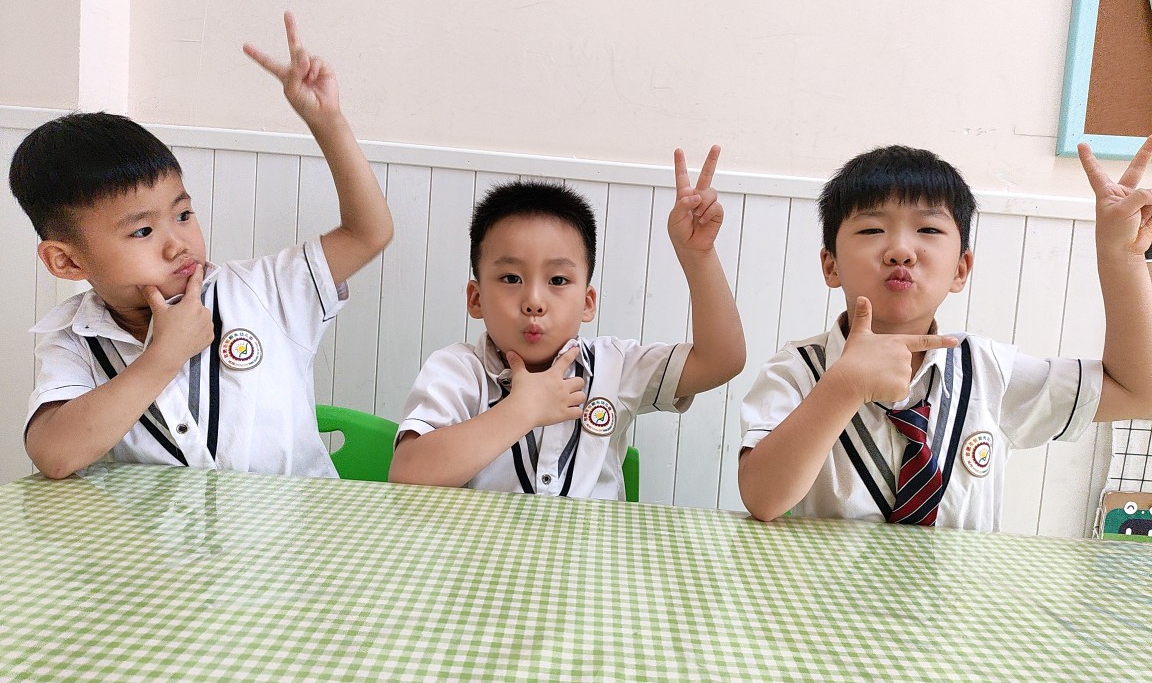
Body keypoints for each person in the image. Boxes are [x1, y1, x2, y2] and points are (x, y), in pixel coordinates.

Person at [10, 13, 393, 479]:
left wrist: (326, 121)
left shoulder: (264, 290)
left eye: (183, 215)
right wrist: (163, 356)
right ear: (67, 261)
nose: (178, 245)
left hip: (294, 523)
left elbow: (368, 233)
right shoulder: (75, 340)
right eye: (142, 232)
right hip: (156, 531)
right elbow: (54, 455)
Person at [739, 142, 1152, 531]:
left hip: (961, 587)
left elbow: (1139, 393)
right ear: (831, 266)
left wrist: (1123, 255)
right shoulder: (796, 371)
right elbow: (763, 499)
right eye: (871, 230)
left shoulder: (990, 370)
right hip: (824, 586)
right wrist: (844, 386)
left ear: (960, 269)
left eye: (929, 230)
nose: (901, 251)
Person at [389, 146, 746, 498]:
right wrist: (522, 409)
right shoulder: (457, 371)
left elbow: (722, 361)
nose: (534, 301)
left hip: (592, 539)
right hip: (483, 539)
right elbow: (407, 473)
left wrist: (698, 256)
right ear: (476, 298)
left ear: (587, 303)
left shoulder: (615, 366)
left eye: (558, 280)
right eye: (511, 278)